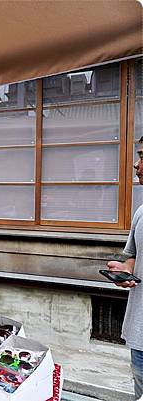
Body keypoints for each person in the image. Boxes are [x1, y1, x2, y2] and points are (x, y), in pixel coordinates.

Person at [107, 136, 143, 400]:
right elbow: (132, 256)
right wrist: (124, 269)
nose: (135, 164)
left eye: (142, 156)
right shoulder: (141, 212)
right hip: (140, 333)